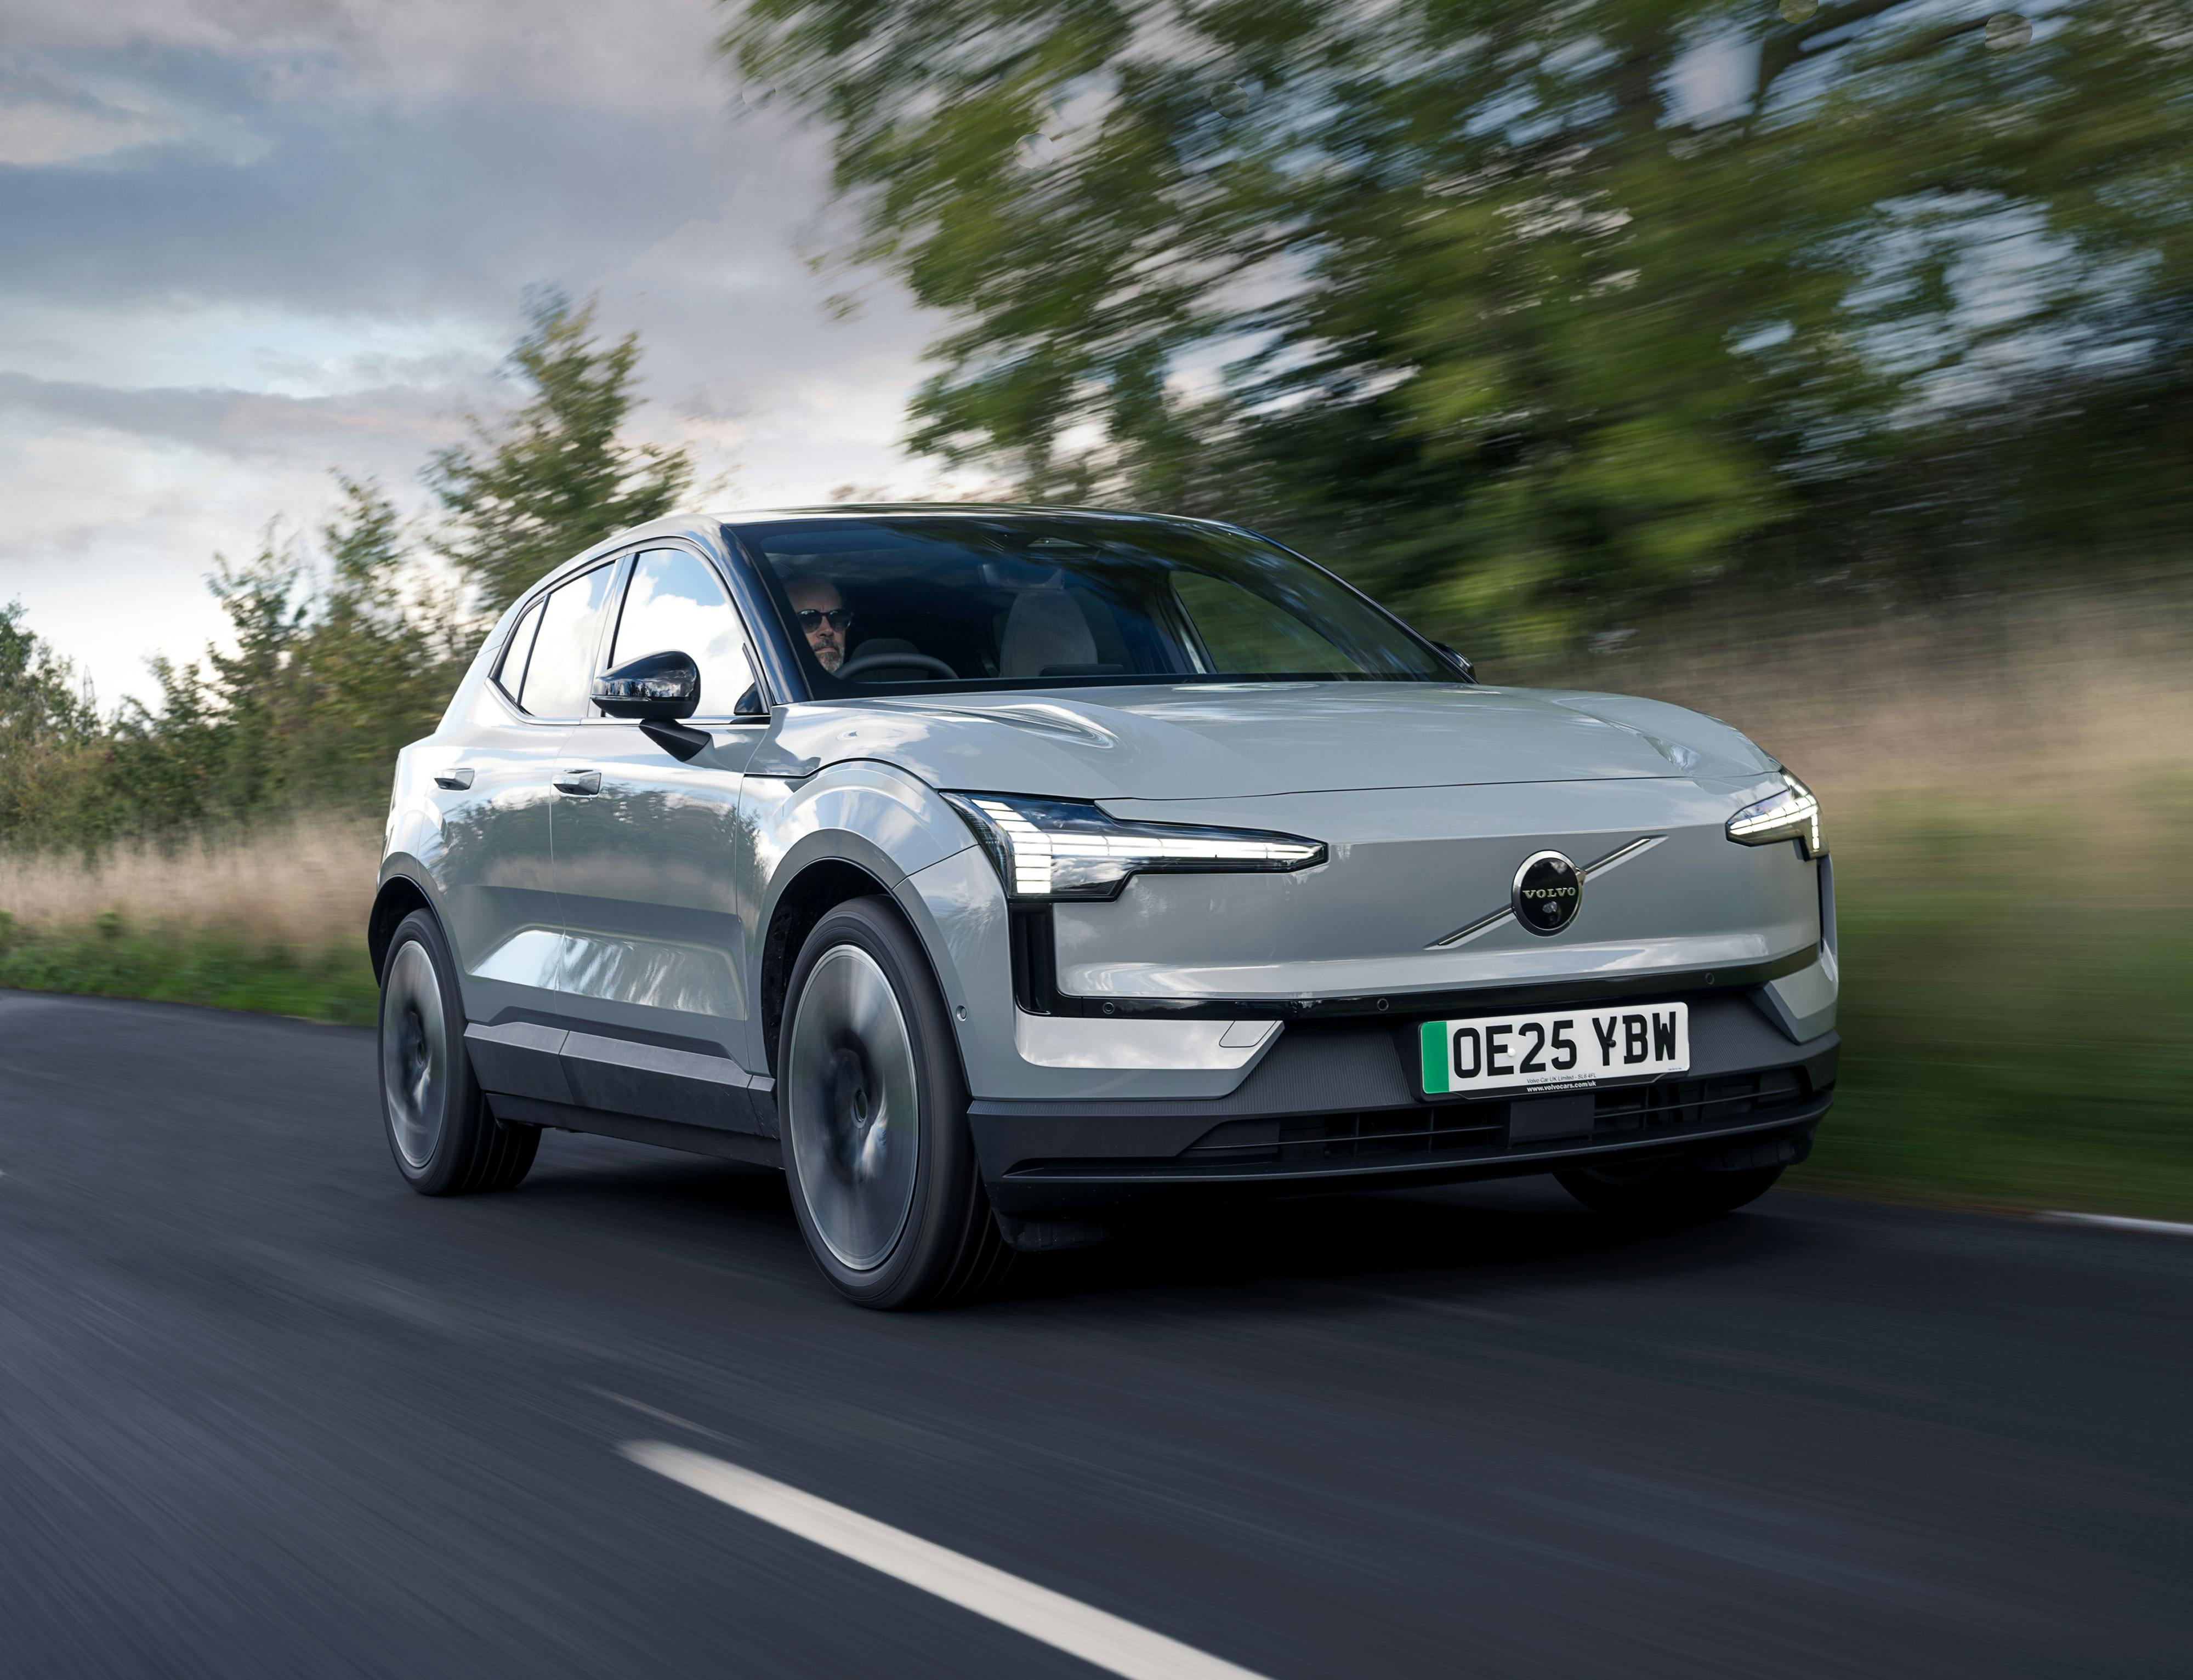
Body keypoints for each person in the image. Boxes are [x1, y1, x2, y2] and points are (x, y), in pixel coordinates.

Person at [784, 576, 851, 673]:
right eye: (808, 620)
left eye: (837, 618)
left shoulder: (869, 686)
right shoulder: (760, 686)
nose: (828, 630)